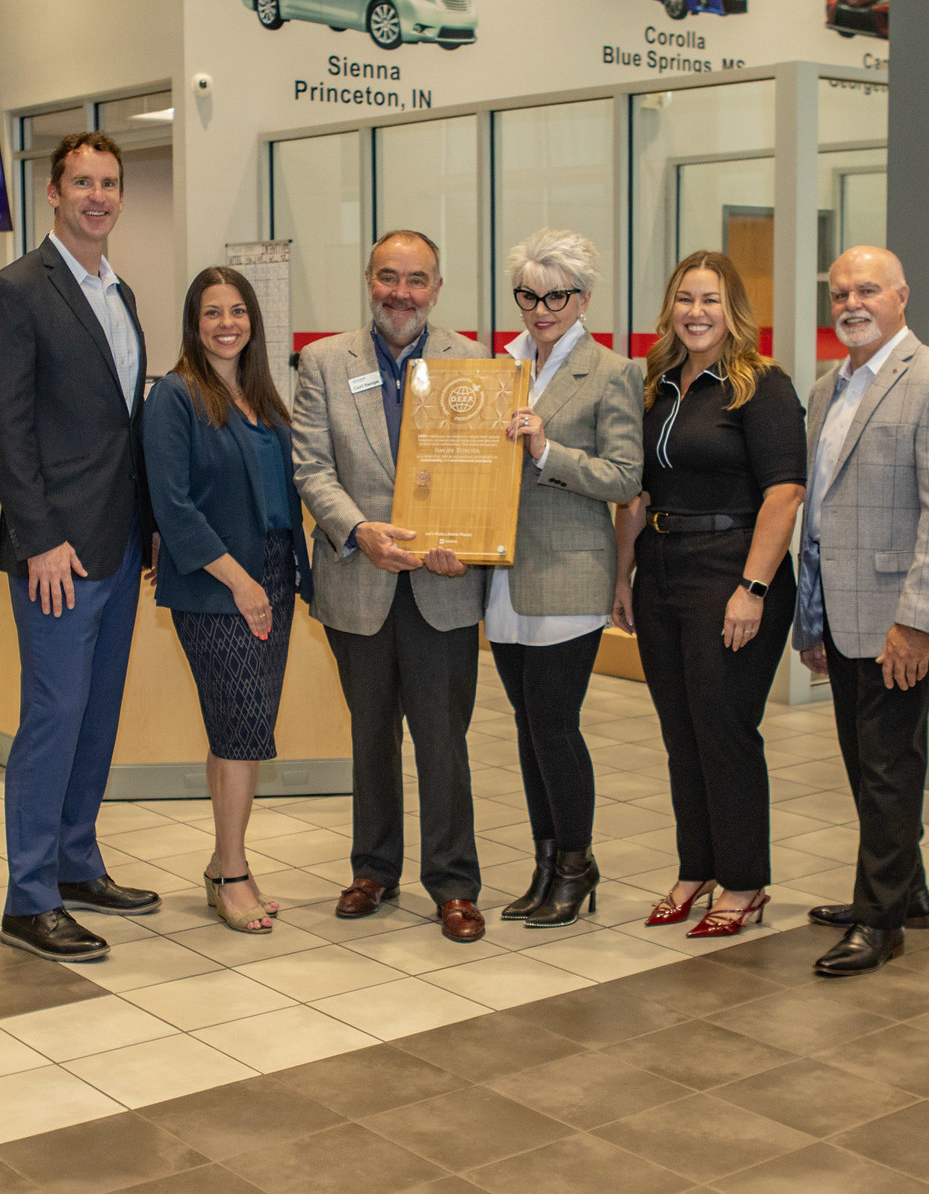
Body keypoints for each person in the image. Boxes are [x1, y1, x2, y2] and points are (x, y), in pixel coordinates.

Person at [0, 131, 162, 962]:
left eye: (109, 183)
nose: (97, 196)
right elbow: (3, 428)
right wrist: (39, 538)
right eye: (81, 182)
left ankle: (78, 862)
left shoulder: (119, 294)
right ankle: (29, 896)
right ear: (53, 192)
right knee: (53, 714)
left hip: (117, 545)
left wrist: (147, 527)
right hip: (58, 553)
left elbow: (123, 427)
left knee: (97, 712)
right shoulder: (15, 290)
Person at [292, 230, 491, 943]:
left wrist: (467, 543)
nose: (400, 293)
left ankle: (454, 884)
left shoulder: (475, 364)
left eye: (416, 280)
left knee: (444, 741)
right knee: (369, 735)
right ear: (368, 281)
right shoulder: (322, 362)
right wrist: (358, 532)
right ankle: (372, 869)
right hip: (358, 577)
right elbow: (311, 467)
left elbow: (485, 476)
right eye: (387, 277)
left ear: (437, 289)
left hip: (443, 586)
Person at [795, 245, 929, 977]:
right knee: (865, 761)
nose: (851, 302)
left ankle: (880, 922)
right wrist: (813, 622)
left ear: (901, 295)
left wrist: (916, 622)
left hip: (898, 618)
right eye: (840, 291)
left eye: (867, 289)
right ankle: (907, 891)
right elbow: (819, 516)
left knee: (887, 769)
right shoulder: (826, 388)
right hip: (842, 616)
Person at [612, 251, 807, 939]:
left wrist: (752, 588)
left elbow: (784, 494)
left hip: (732, 570)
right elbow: (636, 494)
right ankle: (696, 867)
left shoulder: (761, 385)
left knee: (723, 729)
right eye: (686, 299)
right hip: (662, 568)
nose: (696, 312)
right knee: (680, 732)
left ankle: (745, 881)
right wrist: (621, 576)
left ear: (735, 310)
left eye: (712, 300)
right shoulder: (656, 384)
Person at [143, 267, 312, 934]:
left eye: (237, 311)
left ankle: (223, 862)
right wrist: (239, 583)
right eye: (212, 312)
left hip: (273, 573)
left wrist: (281, 579)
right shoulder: (177, 397)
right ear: (194, 322)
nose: (226, 324)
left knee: (232, 729)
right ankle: (235, 872)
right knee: (242, 730)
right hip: (219, 586)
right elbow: (173, 505)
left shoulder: (265, 400)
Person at [488, 229, 643, 929]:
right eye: (528, 295)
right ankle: (546, 862)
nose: (540, 309)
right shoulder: (502, 365)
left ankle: (577, 866)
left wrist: (546, 449)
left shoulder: (611, 372)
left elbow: (625, 477)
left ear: (583, 298)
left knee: (554, 724)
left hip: (572, 572)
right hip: (504, 574)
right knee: (526, 728)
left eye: (556, 296)